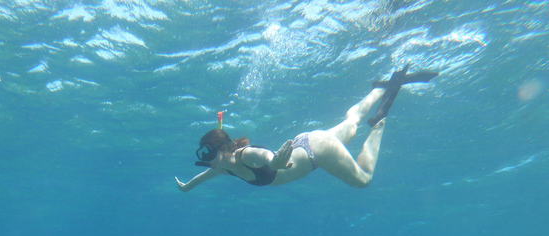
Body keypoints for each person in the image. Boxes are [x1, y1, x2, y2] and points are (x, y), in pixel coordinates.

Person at [175, 66, 438, 192]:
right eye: (202, 155)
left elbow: (267, 158)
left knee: (364, 179)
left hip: (316, 152)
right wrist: (187, 186)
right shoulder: (223, 166)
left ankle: (380, 118)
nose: (206, 160)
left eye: (208, 152)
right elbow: (205, 177)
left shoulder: (245, 155)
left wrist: (277, 160)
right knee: (351, 125)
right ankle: (380, 89)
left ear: (222, 148)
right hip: (310, 141)